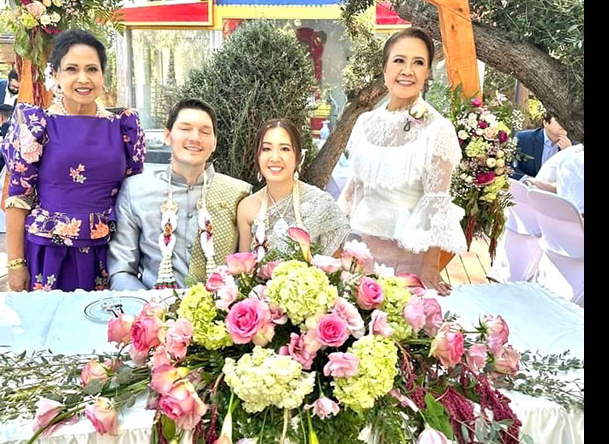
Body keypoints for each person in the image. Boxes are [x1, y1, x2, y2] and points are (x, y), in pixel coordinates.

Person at [2, 29, 146, 292]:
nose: (83, 78)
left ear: (102, 75)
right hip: (50, 254)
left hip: (111, 254)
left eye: (92, 69)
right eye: (71, 69)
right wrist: (15, 264)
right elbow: (18, 198)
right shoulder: (36, 125)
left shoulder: (124, 127)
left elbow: (133, 195)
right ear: (56, 74)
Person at [338, 27, 466, 294]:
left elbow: (436, 202)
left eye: (418, 63)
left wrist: (429, 268)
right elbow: (354, 189)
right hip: (358, 251)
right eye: (399, 60)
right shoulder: (365, 122)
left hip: (406, 260)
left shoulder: (437, 128)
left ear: (427, 72)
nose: (407, 70)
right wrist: (337, 245)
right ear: (385, 68)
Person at [108, 98, 251, 290]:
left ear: (214, 143)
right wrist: (152, 306)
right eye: (185, 129)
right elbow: (121, 271)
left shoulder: (239, 194)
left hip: (220, 305)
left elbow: (247, 272)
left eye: (205, 132)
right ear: (168, 136)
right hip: (152, 304)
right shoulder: (135, 191)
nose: (195, 138)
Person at [237, 119, 349, 258]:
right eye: (266, 149)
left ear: (298, 157)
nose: (275, 158)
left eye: (284, 149)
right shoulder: (246, 208)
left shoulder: (321, 203)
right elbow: (243, 268)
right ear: (257, 156)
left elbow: (336, 266)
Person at [511, 111, 572, 180]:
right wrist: (528, 180)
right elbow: (509, 167)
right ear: (545, 123)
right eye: (559, 121)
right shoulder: (524, 138)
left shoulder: (574, 146)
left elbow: (575, 176)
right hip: (526, 184)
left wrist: (569, 153)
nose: (564, 125)